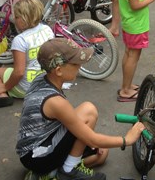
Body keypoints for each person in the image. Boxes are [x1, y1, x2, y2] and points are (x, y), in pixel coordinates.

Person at [16, 38, 145, 180]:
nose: (80, 66)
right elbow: (92, 138)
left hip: (39, 146)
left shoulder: (43, 78)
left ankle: (55, 172)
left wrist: (91, 141)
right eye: (76, 63)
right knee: (88, 111)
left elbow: (70, 122)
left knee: (101, 155)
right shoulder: (55, 102)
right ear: (58, 70)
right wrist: (126, 139)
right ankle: (67, 170)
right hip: (37, 157)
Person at [0, 0, 55, 108]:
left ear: (24, 19)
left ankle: (2, 96)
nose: (14, 20)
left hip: (26, 89)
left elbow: (19, 72)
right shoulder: (47, 30)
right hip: (45, 84)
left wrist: (5, 87)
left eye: (16, 17)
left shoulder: (20, 40)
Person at [115, 0, 155, 102]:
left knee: (129, 53)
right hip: (136, 25)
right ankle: (125, 90)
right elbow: (135, 5)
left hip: (129, 23)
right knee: (133, 55)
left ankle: (127, 85)